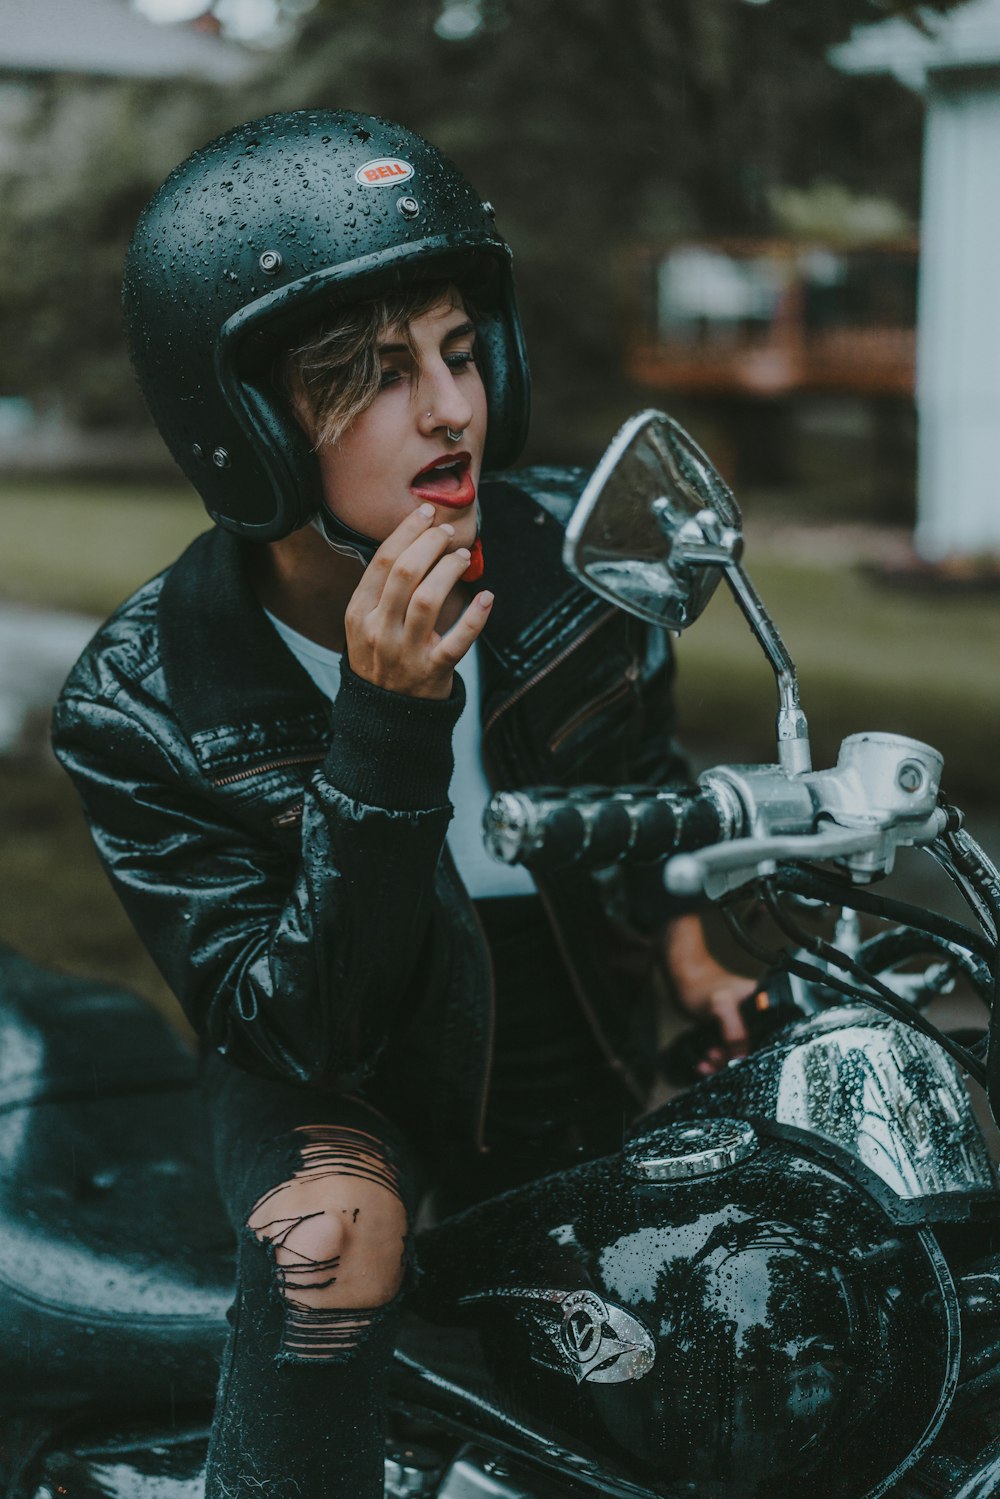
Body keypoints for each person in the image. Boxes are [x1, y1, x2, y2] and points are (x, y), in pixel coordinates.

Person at [52, 110, 754, 1499]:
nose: (450, 409)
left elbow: (653, 788)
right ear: (245, 424)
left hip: (575, 1024)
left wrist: (697, 956)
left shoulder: (580, 562)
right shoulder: (143, 702)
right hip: (342, 1072)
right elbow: (296, 1023)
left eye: (454, 349)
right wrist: (382, 730)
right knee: (332, 1243)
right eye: (373, 377)